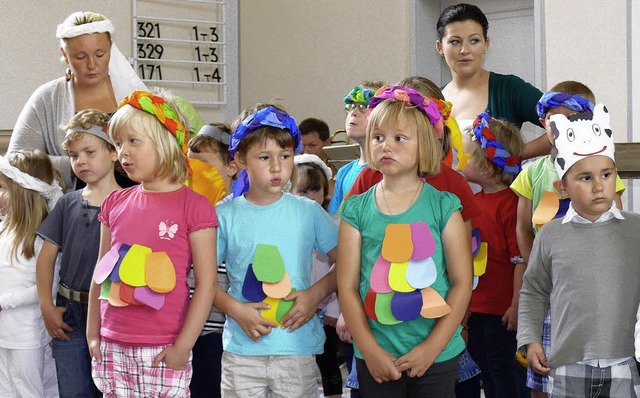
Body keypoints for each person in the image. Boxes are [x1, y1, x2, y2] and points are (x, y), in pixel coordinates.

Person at [343, 76, 483, 396]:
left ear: (426, 144)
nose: (386, 145)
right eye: (377, 136)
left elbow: (462, 280)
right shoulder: (355, 211)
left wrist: (433, 347)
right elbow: (347, 287)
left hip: (437, 355)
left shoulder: (445, 206)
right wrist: (369, 350)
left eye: (399, 137)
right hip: (376, 355)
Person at [86, 90, 218, 397]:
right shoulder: (115, 203)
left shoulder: (194, 206)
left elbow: (207, 285)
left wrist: (182, 347)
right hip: (112, 345)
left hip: (164, 347)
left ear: (165, 142)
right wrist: (93, 333)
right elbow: (100, 273)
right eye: (118, 143)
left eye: (133, 141)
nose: (123, 152)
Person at [510, 82, 626, 398]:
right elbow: (522, 228)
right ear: (543, 124)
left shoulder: (603, 170)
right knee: (543, 373)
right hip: (549, 286)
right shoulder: (532, 173)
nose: (561, 127)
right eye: (553, 120)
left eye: (571, 118)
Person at [213, 105, 338, 397]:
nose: (276, 167)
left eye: (285, 156)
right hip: (242, 352)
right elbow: (205, 282)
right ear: (241, 158)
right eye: (264, 157)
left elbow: (346, 262)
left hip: (295, 349)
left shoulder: (308, 212)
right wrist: (237, 310)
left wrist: (315, 294)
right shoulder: (224, 215)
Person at [9, 11, 146, 191]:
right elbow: (16, 159)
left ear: (111, 49)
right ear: (64, 54)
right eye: (80, 57)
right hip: (73, 210)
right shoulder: (47, 99)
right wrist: (76, 164)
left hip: (135, 203)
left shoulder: (135, 96)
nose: (91, 64)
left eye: (100, 54)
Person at [36, 109, 120, 397]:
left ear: (114, 152)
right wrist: (47, 307)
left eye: (89, 151)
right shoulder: (66, 203)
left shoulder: (130, 203)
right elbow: (46, 258)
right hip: (69, 315)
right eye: (73, 155)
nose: (80, 161)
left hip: (113, 314)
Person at [460, 113, 525, 398]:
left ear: (488, 165)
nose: (463, 161)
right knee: (485, 370)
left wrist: (516, 304)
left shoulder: (511, 205)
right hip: (476, 308)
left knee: (504, 374)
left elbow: (520, 259)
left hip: (501, 311)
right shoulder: (472, 203)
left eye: (469, 156)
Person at [436, 3, 546, 160]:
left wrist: (514, 155)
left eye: (474, 41)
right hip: (442, 186)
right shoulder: (432, 98)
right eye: (455, 41)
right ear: (440, 47)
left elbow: (567, 121)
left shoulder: (509, 88)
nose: (464, 50)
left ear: (486, 44)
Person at [0, 150, 63, 397]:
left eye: (3, 188)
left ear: (24, 193)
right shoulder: (4, 231)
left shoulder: (41, 240)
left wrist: (4, 303)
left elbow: (47, 287)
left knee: (29, 390)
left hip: (26, 336)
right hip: (4, 332)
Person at [186, 122, 237, 398]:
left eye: (204, 164)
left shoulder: (233, 211)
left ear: (232, 166)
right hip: (186, 327)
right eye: (190, 164)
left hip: (219, 329)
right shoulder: (185, 206)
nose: (194, 171)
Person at [291, 153, 342, 398]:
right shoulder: (287, 225)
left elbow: (341, 270)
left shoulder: (330, 225)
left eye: (315, 191)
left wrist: (334, 311)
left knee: (328, 359)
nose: (310, 197)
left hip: (325, 309)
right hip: (296, 306)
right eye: (303, 191)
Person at [327, 81, 385, 215]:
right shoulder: (344, 172)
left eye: (363, 107)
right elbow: (337, 219)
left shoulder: (387, 170)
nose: (354, 113)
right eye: (352, 106)